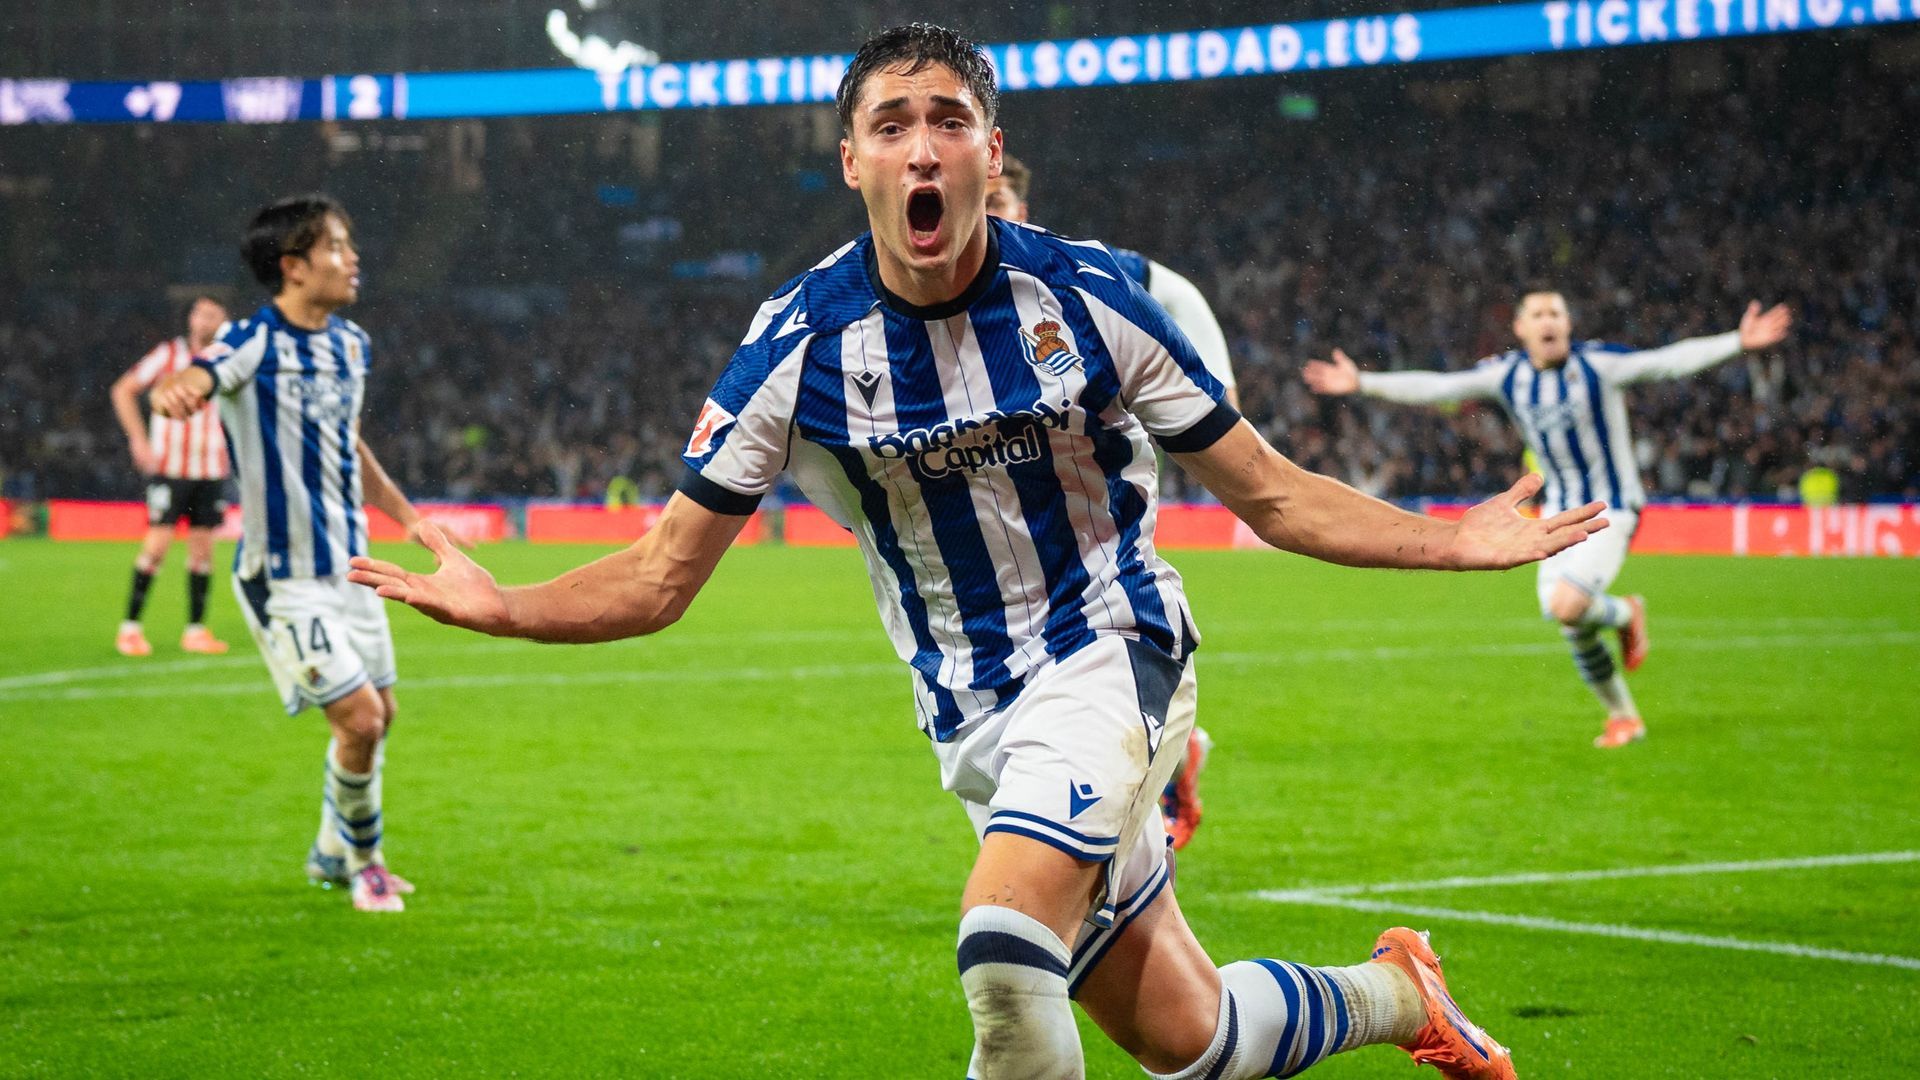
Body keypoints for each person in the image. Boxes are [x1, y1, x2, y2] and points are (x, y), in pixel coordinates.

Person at [350, 26, 1605, 1077]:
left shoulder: (1100, 300)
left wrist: (1457, 541)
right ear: (852, 162)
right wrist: (504, 604)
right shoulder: (796, 345)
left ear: (990, 153)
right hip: (971, 715)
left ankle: (1170, 811)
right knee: (1189, 1038)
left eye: (948, 119)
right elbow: (662, 572)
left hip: (1115, 654)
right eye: (890, 124)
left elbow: (1270, 495)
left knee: (1005, 949)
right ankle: (1400, 998)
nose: (921, 145)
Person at [1303, 288, 1791, 748]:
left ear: (1568, 323)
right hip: (1556, 505)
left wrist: (1736, 342)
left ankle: (1625, 615)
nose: (1548, 321)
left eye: (1555, 313)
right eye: (1537, 315)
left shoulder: (1598, 365)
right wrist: (1365, 382)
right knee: (1569, 620)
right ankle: (1623, 712)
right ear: (1519, 328)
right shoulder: (1507, 376)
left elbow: (1664, 363)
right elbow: (1439, 386)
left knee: (1567, 605)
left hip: (1611, 505)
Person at [152, 195, 441, 913]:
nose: (353, 258)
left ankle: (328, 849)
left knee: (382, 716)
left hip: (352, 567)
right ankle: (366, 864)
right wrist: (180, 389)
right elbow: (204, 371)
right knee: (362, 720)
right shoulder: (253, 340)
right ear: (293, 266)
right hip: (285, 578)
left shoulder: (352, 346)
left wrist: (407, 517)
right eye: (337, 247)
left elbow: (348, 444)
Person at [985, 153, 1233, 849]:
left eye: (1001, 197)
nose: (991, 210)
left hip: (1082, 497)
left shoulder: (1065, 268)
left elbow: (1174, 288)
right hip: (998, 512)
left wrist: (1219, 383)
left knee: (1090, 643)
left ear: (1022, 207)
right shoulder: (940, 287)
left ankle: (1126, 818)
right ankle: (1164, 767)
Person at [110, 294, 233, 657]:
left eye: (213, 314)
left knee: (203, 553)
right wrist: (139, 440)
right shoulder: (169, 356)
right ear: (190, 319)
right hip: (170, 469)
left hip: (210, 471)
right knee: (157, 546)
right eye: (199, 313)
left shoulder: (229, 359)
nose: (204, 320)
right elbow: (123, 389)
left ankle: (195, 630)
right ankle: (130, 629)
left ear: (224, 320)